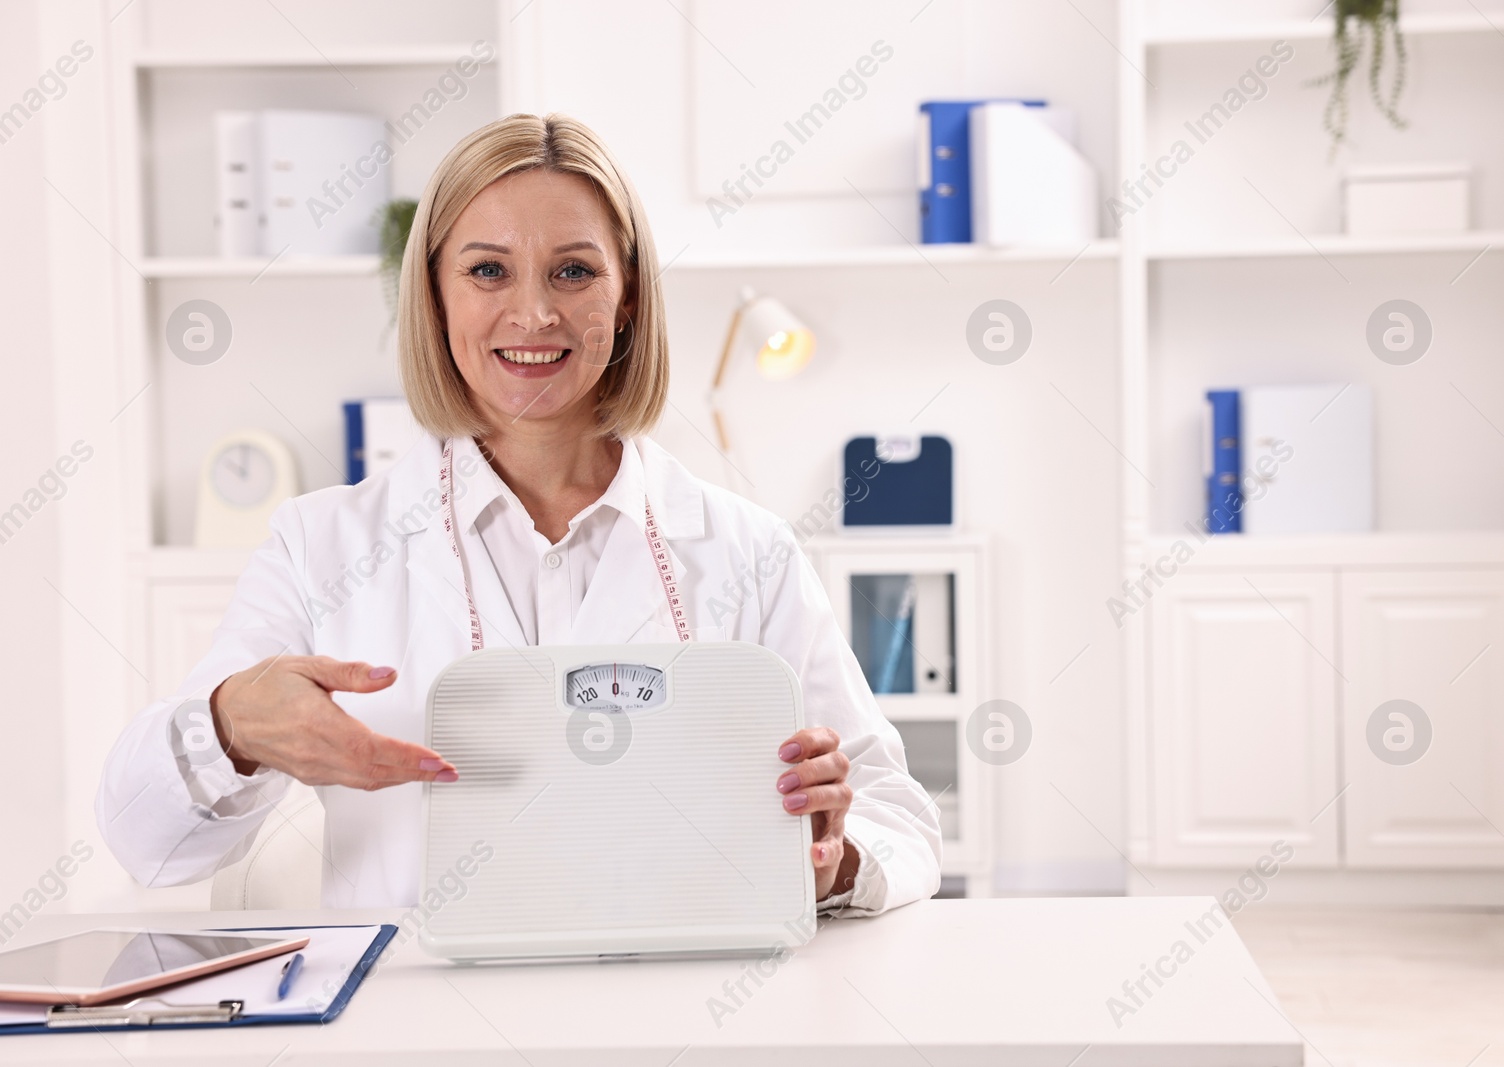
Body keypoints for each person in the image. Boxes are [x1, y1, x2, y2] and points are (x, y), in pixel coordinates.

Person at [96, 113, 941, 916]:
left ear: (630, 294)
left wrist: (833, 855)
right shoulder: (324, 546)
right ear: (434, 294)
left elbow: (898, 820)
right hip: (414, 1029)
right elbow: (145, 842)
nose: (534, 313)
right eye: (487, 270)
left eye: (573, 271)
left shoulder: (748, 550)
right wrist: (233, 725)